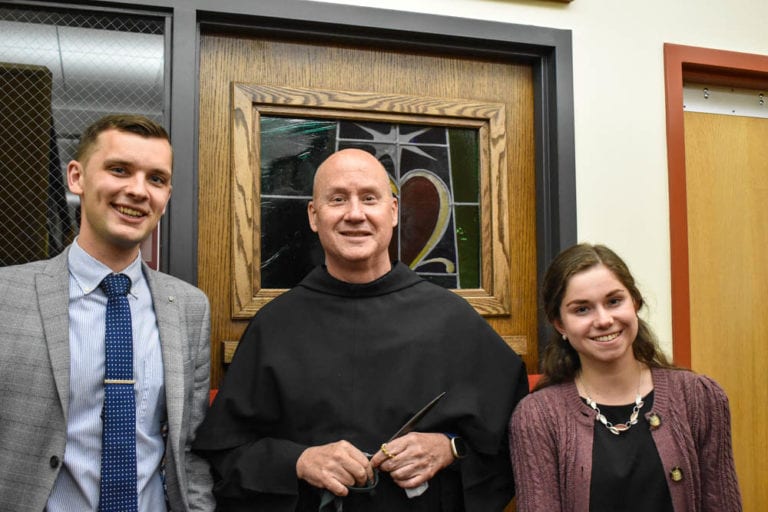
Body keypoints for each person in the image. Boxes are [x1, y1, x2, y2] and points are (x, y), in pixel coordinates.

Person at [193, 148, 528, 511]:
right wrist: (299, 461)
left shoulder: (453, 320)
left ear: (394, 211)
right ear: (313, 216)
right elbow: (225, 454)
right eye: (338, 199)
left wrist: (449, 447)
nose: (355, 214)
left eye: (369, 198)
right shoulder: (274, 326)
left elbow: (522, 438)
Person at [0, 114, 214, 511]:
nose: (138, 190)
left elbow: (189, 448)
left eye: (156, 178)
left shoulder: (188, 308)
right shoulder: (6, 296)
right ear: (77, 177)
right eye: (119, 170)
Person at [508, 243, 742, 511]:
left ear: (635, 302)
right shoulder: (537, 418)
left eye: (614, 301)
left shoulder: (699, 397)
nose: (604, 319)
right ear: (560, 324)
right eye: (582, 309)